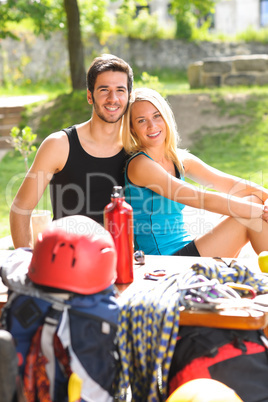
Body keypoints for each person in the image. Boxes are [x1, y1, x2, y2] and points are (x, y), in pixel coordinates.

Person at [122, 87, 268, 257]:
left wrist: (266, 199)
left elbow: (228, 183)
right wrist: (261, 211)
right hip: (164, 261)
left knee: (254, 199)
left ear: (166, 117)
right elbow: (201, 199)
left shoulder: (178, 159)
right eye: (141, 121)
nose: (152, 125)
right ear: (132, 128)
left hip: (187, 248)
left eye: (157, 116)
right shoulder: (141, 165)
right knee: (250, 216)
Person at [10, 54, 133, 249]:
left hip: (123, 263)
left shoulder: (135, 147)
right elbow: (20, 209)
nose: (113, 98)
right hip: (68, 265)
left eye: (120, 90)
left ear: (128, 96)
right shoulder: (59, 145)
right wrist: (26, 262)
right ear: (89, 96)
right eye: (104, 90)